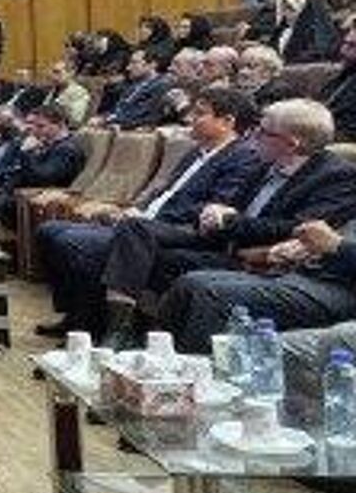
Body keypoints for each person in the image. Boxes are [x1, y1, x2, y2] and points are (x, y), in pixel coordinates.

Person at [90, 99, 356, 345]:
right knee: (134, 235)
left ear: (291, 143)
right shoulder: (264, 163)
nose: (253, 136)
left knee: (181, 276)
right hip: (224, 240)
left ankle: (158, 349)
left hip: (259, 256)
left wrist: (227, 221)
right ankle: (120, 331)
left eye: (263, 132)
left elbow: (295, 229)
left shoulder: (336, 177)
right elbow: (226, 206)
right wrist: (212, 211)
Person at [34, 87, 264, 337]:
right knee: (49, 230)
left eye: (200, 113)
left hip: (185, 231)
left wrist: (143, 218)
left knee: (74, 242)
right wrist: (135, 209)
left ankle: (112, 328)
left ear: (227, 121)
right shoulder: (195, 152)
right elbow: (165, 192)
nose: (190, 118)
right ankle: (76, 318)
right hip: (148, 224)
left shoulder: (243, 157)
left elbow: (216, 206)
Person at [159, 219, 356, 350]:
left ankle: (199, 380)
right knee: (190, 282)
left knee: (211, 294)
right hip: (312, 272)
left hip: (342, 290)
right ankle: (164, 368)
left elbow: (336, 245)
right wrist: (306, 248)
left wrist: (337, 246)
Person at [45, 58, 92, 129]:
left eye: (57, 72)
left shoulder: (79, 92)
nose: (52, 76)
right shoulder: (54, 90)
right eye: (52, 73)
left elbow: (75, 119)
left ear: (71, 73)